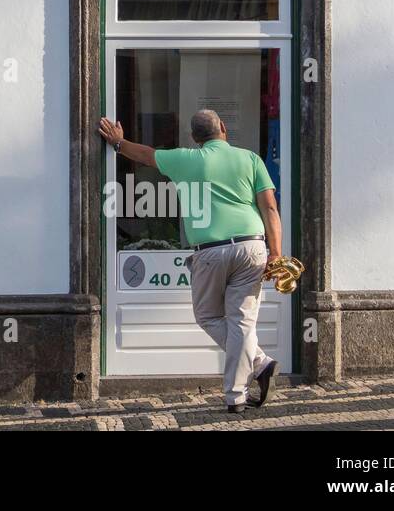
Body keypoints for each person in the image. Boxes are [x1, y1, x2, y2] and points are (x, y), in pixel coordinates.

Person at [98, 109, 283, 413]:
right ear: (223, 127)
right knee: (242, 321)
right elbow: (270, 208)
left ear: (194, 138)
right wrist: (276, 252)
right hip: (252, 246)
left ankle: (243, 387)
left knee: (208, 316)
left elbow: (146, 155)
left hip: (210, 250)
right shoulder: (250, 159)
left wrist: (119, 143)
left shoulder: (185, 159)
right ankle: (257, 368)